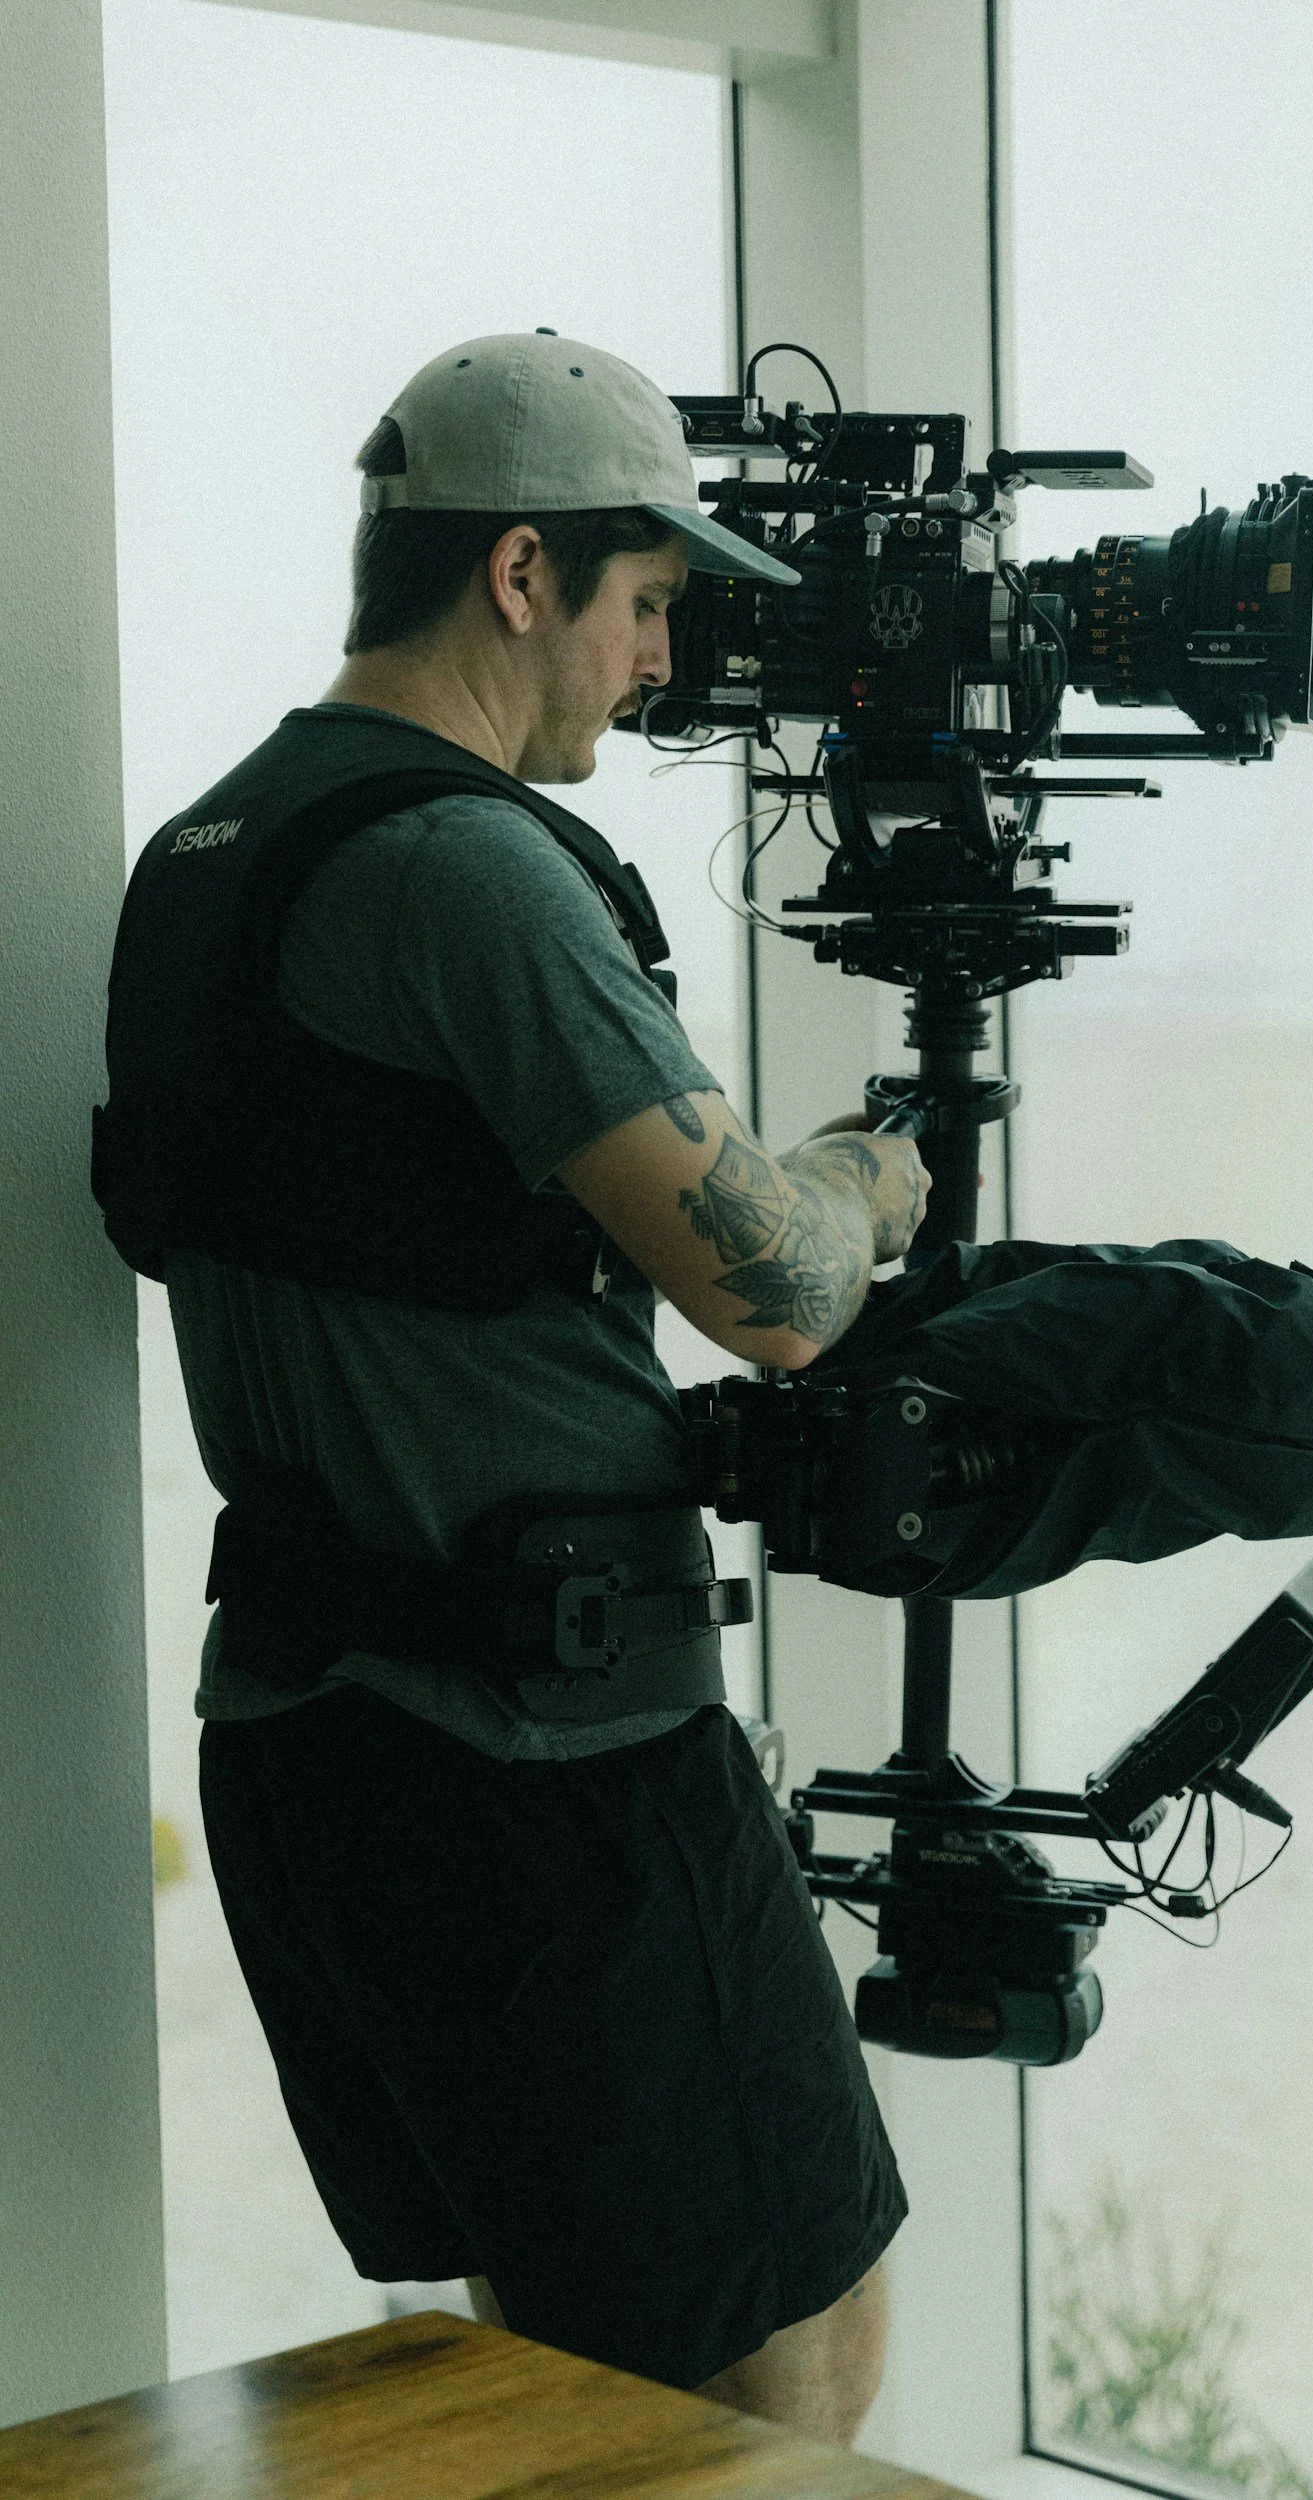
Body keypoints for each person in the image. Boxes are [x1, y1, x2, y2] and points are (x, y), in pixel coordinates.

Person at [94, 333, 929, 2442]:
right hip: (543, 1764)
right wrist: (868, 1177)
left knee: (568, 2359)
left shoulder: (207, 853)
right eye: (643, 603)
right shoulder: (462, 867)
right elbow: (774, 1290)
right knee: (788, 2350)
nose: (656, 664)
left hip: (312, 1736)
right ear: (523, 572)